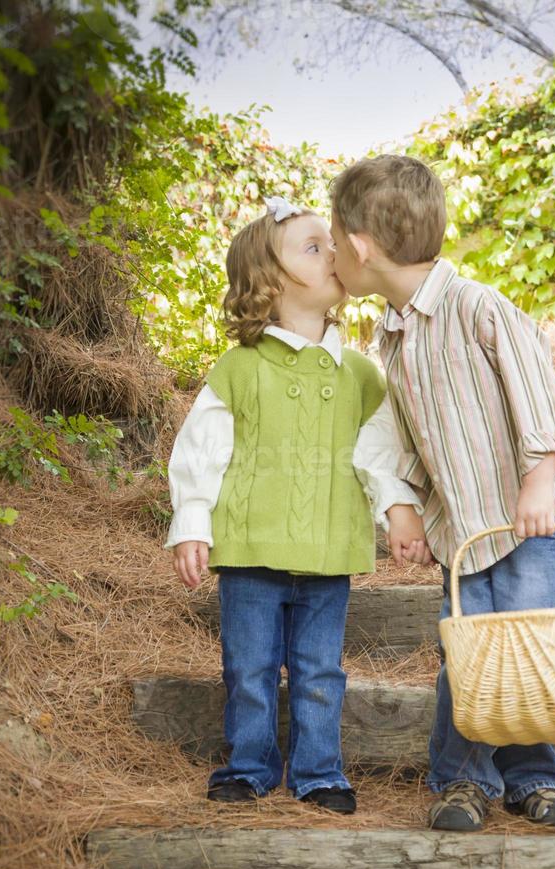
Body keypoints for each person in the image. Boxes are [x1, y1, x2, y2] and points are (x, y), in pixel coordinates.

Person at [329, 156, 555, 831]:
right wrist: (405, 506)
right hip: (466, 531)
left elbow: (540, 397)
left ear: (360, 248)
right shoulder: (393, 337)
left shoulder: (476, 305)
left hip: (529, 518)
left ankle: (536, 777)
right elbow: (407, 436)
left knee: (527, 646)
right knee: (469, 655)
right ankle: (463, 780)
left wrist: (539, 481)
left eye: (334, 243)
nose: (332, 257)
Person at [165, 197, 427, 815]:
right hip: (251, 547)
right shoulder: (239, 368)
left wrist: (396, 509)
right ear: (271, 280)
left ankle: (317, 770)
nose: (332, 252)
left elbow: (380, 452)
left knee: (318, 671)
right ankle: (250, 764)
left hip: (327, 550)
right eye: (314, 246)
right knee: (249, 667)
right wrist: (193, 522)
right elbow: (201, 450)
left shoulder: (362, 375)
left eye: (332, 243)